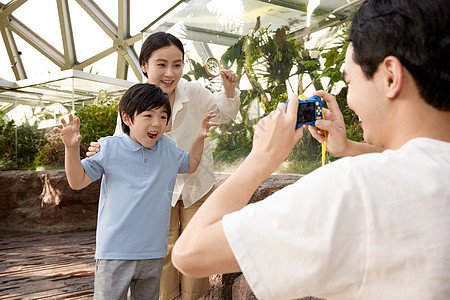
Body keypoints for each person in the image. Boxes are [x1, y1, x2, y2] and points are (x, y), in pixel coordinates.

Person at [171, 0, 450, 299]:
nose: (349, 99)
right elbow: (413, 162)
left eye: (349, 80)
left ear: (390, 77)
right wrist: (348, 147)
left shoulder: (353, 188)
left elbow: (190, 253)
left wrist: (261, 158)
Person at [86, 32, 240, 300]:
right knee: (162, 250)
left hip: (196, 183)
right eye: (161, 64)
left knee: (197, 246)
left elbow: (224, 113)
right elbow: (122, 142)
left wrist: (228, 90)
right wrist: (98, 150)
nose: (170, 72)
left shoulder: (194, 91)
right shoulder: (134, 99)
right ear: (144, 65)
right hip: (156, 191)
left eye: (177, 64)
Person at [55, 83, 218, 300]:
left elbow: (191, 164)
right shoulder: (108, 148)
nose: (156, 123)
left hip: (153, 254)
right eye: (148, 115)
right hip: (114, 254)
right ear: (127, 118)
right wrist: (71, 148)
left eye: (162, 116)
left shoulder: (168, 149)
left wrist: (199, 136)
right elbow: (77, 181)